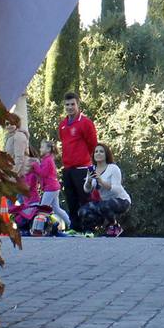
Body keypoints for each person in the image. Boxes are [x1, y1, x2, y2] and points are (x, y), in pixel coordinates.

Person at [57, 92, 97, 231]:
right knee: (71, 200)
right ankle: (75, 228)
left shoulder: (85, 123)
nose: (70, 107)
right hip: (68, 168)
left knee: (85, 199)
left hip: (82, 169)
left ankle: (89, 228)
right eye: (67, 105)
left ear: (78, 105)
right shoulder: (62, 125)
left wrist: (87, 161)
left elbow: (93, 144)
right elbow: (64, 143)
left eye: (72, 104)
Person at [80, 143, 131, 236]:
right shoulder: (92, 169)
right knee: (83, 210)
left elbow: (117, 189)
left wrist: (101, 181)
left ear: (106, 154)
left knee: (105, 206)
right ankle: (89, 231)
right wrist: (89, 181)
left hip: (122, 201)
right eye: (96, 152)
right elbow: (87, 190)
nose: (98, 153)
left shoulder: (113, 168)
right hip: (105, 202)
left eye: (101, 151)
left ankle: (115, 226)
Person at [30, 139, 73, 229]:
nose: (40, 149)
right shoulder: (46, 159)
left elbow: (43, 173)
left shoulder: (48, 160)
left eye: (42, 147)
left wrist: (34, 165)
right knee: (57, 209)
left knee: (42, 209)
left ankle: (39, 228)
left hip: (51, 188)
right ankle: (70, 223)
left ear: (48, 149)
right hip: (53, 188)